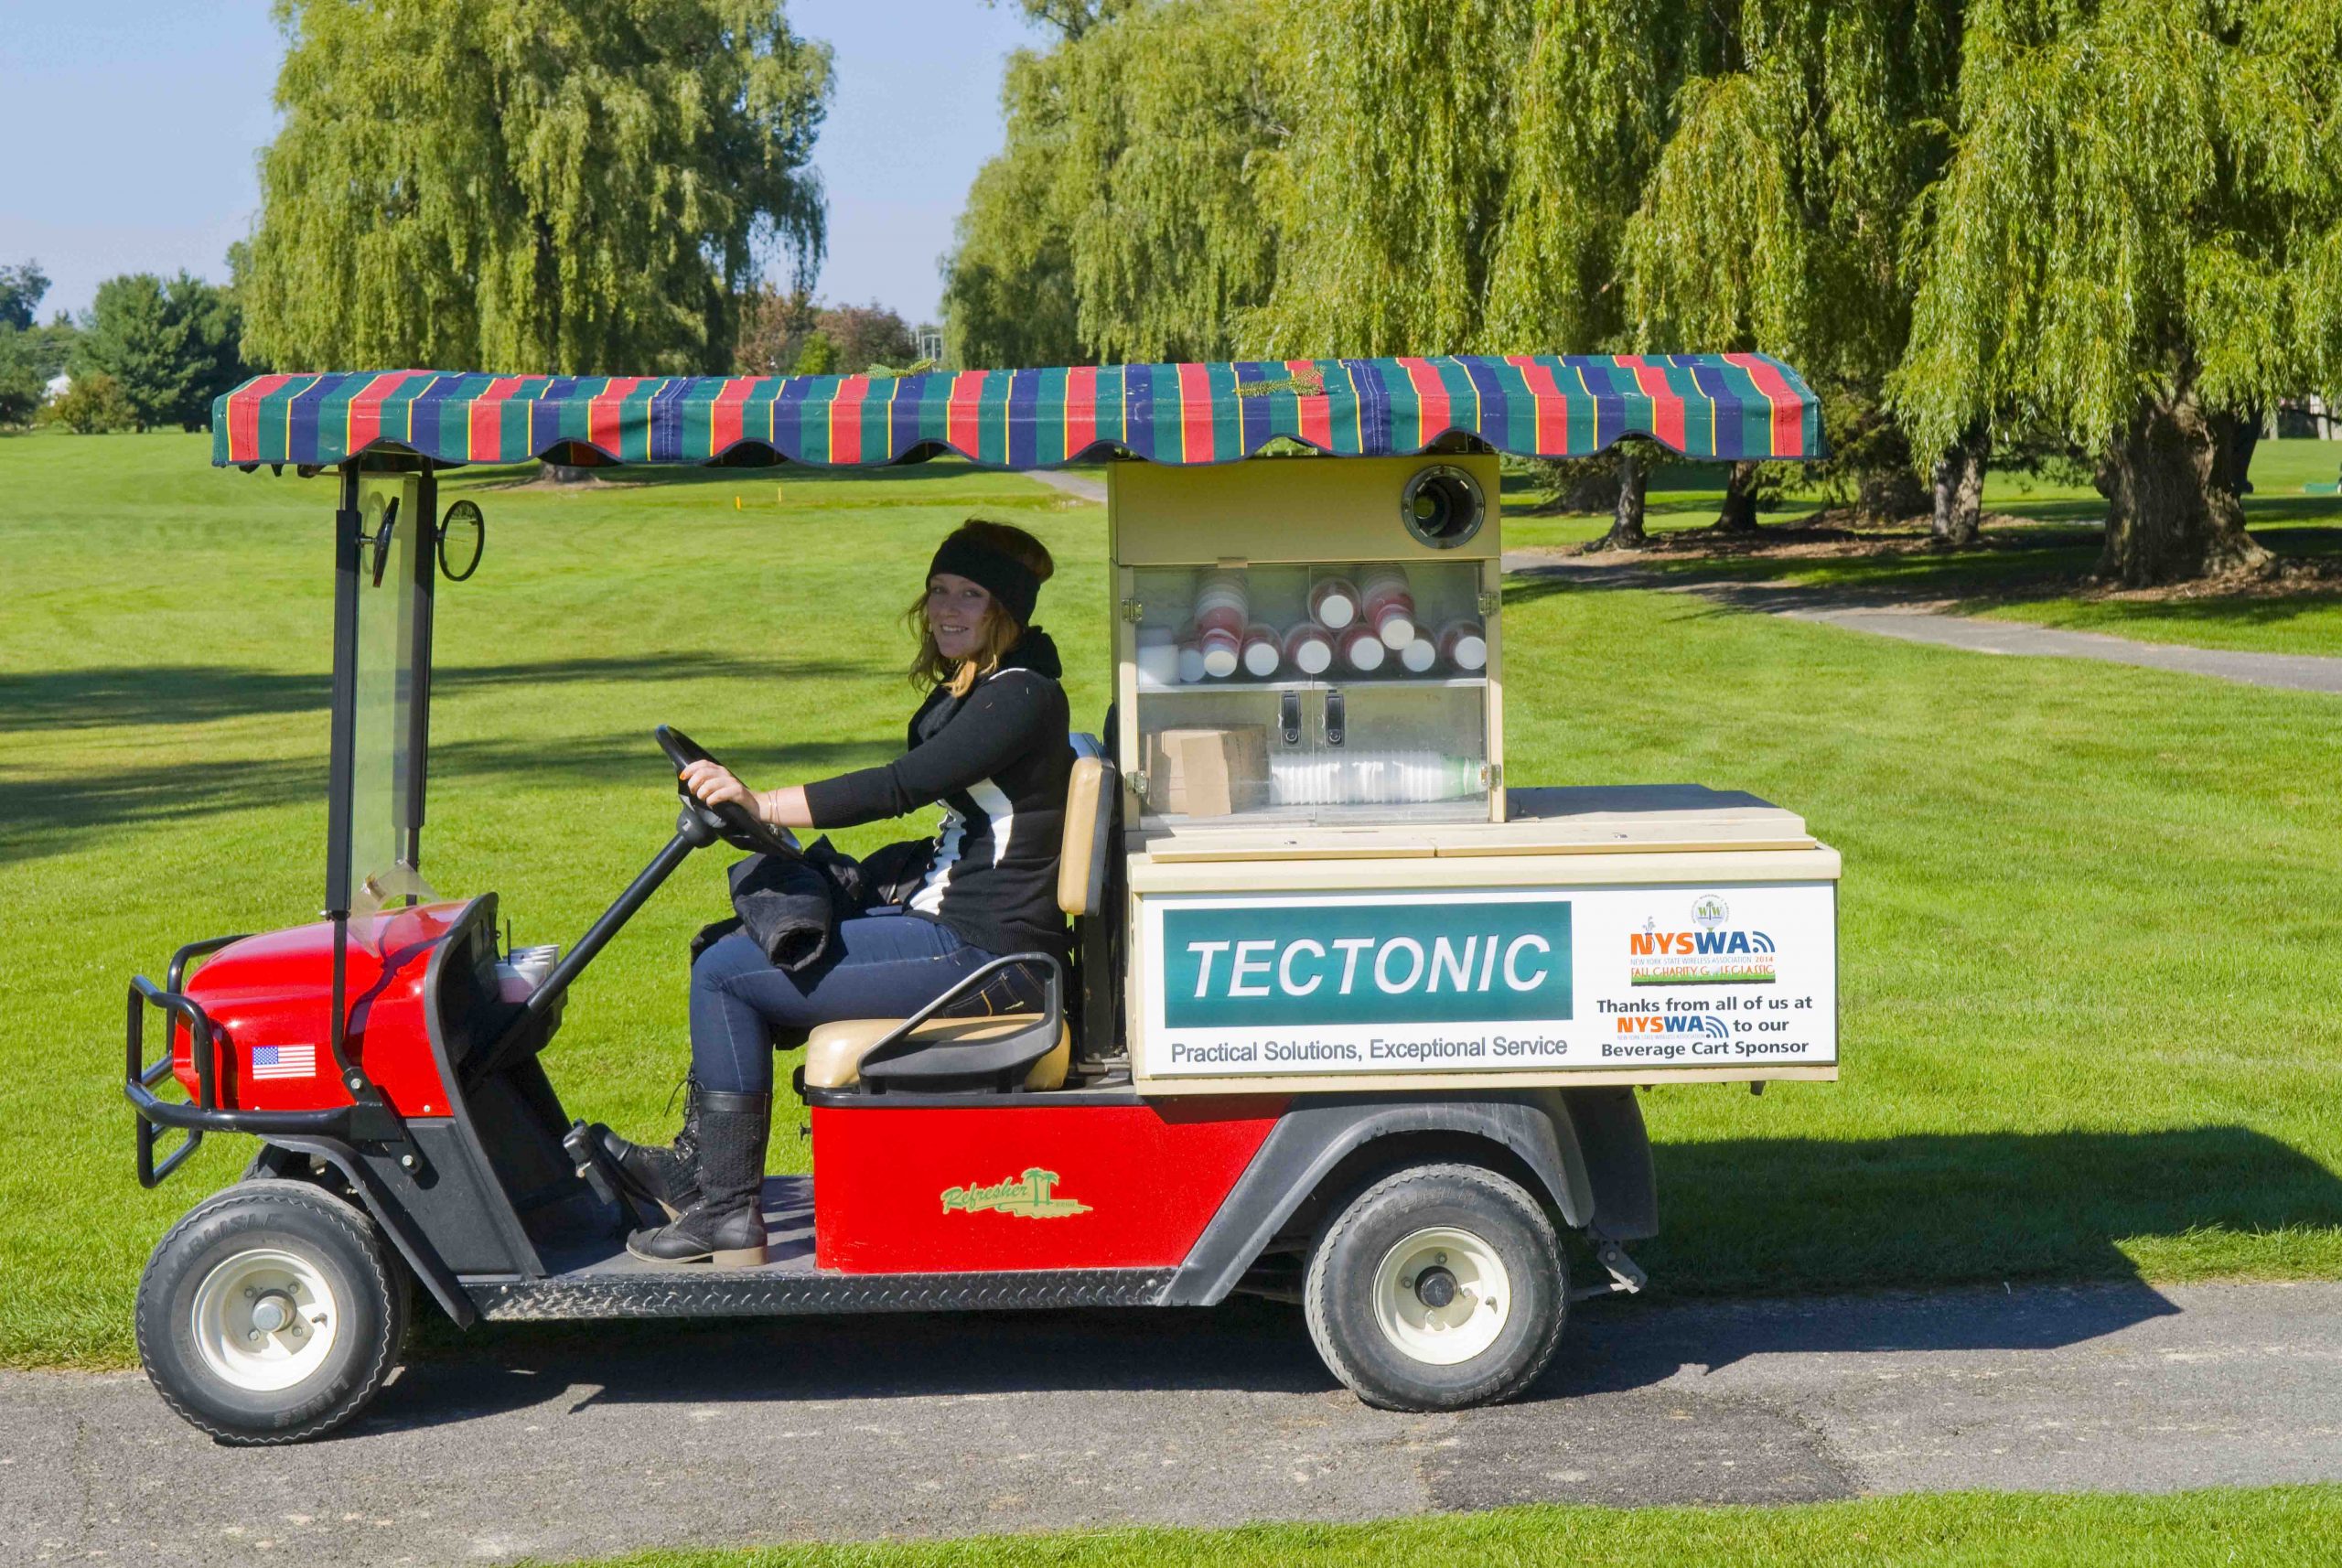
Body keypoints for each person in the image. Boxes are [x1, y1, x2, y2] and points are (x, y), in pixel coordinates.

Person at [603, 519, 1073, 1268]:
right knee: (735, 944)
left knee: (724, 975)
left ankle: (724, 1214)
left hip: (988, 958)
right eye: (939, 590)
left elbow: (899, 787)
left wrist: (761, 803)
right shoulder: (985, 689)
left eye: (971, 595)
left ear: (1004, 611)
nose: (947, 608)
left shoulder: (1022, 696)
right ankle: (700, 1170)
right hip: (964, 933)